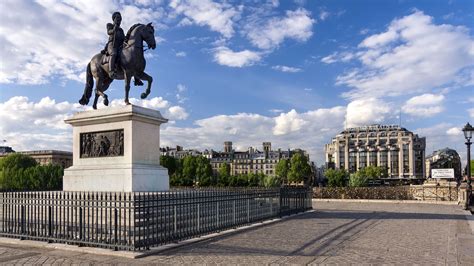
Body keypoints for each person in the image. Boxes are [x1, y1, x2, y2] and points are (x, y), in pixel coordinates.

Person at [107, 12, 125, 79]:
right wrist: (114, 29)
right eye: (117, 18)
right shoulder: (110, 25)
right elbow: (109, 32)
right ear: (114, 19)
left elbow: (124, 38)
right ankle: (111, 71)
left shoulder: (121, 30)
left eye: (120, 18)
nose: (119, 19)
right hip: (112, 44)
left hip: (120, 46)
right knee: (114, 53)